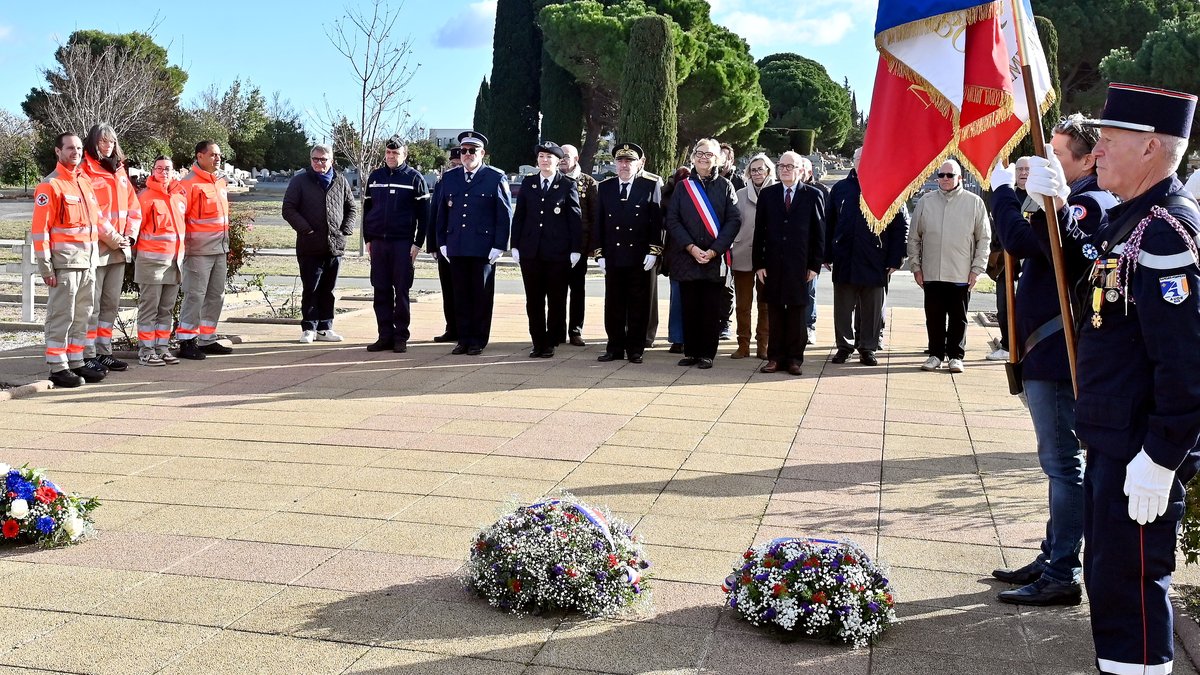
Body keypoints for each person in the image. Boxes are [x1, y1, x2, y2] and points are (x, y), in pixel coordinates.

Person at [1028, 83, 1200, 675]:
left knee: (1133, 594)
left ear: (1150, 148)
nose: (1096, 151)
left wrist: (1163, 455)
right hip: (1109, 437)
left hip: (1139, 451)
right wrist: (1055, 203)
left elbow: (1186, 363)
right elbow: (1090, 271)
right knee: (1109, 584)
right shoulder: (1131, 219)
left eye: (1108, 141)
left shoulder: (1166, 232)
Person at [988, 115, 1117, 608]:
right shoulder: (1070, 201)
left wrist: (1001, 193)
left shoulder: (1086, 203)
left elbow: (1024, 242)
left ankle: (1063, 570)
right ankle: (1052, 556)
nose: (1048, 161)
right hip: (1046, 349)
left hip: (1059, 352)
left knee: (1063, 465)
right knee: (1059, 463)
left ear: (1088, 161)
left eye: (1058, 154)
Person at [31, 132, 107, 387]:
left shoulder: (84, 184)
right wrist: (45, 267)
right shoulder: (50, 186)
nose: (75, 152)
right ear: (58, 151)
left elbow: (94, 223)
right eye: (69, 148)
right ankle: (57, 366)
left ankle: (76, 361)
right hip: (64, 264)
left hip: (87, 262)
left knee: (82, 315)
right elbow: (40, 231)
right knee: (61, 315)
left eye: (78, 148)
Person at [826, 147, 908, 366]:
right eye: (859, 159)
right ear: (853, 162)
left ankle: (868, 348)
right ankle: (844, 347)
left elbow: (900, 227)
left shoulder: (888, 187)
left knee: (872, 310)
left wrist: (896, 258)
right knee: (843, 308)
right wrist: (826, 253)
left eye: (868, 158)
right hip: (844, 257)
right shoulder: (840, 189)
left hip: (875, 260)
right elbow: (829, 222)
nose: (863, 163)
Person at [908, 159, 990, 373]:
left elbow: (984, 239)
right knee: (933, 316)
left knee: (958, 317)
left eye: (949, 175)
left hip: (960, 273)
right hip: (932, 272)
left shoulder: (974, 203)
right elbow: (913, 237)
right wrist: (916, 267)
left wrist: (977, 269)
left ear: (959, 177)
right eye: (941, 175)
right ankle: (935, 354)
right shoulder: (926, 202)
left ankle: (955, 356)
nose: (944, 179)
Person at [665, 138, 741, 369]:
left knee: (709, 308)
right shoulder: (682, 187)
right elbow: (673, 219)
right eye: (699, 153)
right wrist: (690, 247)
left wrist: (715, 250)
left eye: (709, 154)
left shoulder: (726, 186)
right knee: (689, 307)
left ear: (717, 159)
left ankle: (707, 353)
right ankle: (691, 351)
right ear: (692, 156)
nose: (703, 157)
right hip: (687, 257)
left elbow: (734, 220)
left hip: (713, 259)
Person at [435, 130, 512, 356]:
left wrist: (500, 245)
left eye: (472, 151)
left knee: (480, 295)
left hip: (483, 248)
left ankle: (477, 339)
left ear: (483, 153)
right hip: (456, 245)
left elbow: (504, 214)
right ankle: (463, 338)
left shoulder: (495, 177)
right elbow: (441, 213)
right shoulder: (450, 178)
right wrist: (442, 242)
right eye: (464, 151)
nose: (467, 154)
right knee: (460, 295)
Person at [753, 151, 824, 376]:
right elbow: (760, 232)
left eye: (790, 166)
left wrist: (814, 265)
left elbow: (819, 234)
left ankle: (794, 359)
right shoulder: (768, 195)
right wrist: (759, 264)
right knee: (774, 311)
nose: (785, 169)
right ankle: (774, 358)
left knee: (796, 313)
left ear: (800, 170)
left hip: (799, 265)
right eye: (781, 165)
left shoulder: (813, 195)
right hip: (773, 264)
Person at [593, 142, 663, 364]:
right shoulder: (605, 187)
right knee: (613, 304)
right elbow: (599, 223)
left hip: (640, 256)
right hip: (613, 256)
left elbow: (657, 222)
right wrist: (599, 253)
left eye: (629, 161)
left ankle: (635, 348)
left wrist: (654, 251)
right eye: (621, 161)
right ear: (615, 164)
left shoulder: (650, 186)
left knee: (638, 304)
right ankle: (614, 347)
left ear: (639, 164)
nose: (624, 165)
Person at [282, 144, 360, 343]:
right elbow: (288, 209)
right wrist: (306, 229)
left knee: (328, 289)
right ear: (311, 160)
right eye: (315, 159)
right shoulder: (300, 181)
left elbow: (351, 207)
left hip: (334, 245)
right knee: (311, 287)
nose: (319, 163)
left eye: (323, 159)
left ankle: (325, 327)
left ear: (331, 161)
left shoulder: (340, 181)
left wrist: (345, 230)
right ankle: (309, 327)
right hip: (310, 245)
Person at [511, 141, 582, 358]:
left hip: (557, 253)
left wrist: (575, 249)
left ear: (557, 161)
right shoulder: (529, 183)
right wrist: (515, 245)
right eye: (541, 156)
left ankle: (551, 341)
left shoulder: (567, 185)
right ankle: (537, 340)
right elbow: (520, 216)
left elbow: (575, 219)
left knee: (556, 299)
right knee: (533, 299)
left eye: (549, 157)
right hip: (531, 252)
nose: (544, 160)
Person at [80, 123, 140, 374]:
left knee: (110, 304)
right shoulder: (85, 170)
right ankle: (87, 353)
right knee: (91, 305)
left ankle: (104, 351)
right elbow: (91, 211)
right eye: (103, 141)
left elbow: (133, 207)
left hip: (118, 248)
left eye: (112, 141)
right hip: (97, 246)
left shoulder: (119, 171)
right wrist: (115, 237)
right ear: (93, 143)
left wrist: (130, 236)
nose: (108, 146)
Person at [363, 138, 429, 353]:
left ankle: (400, 336)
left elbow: (424, 216)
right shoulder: (375, 177)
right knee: (380, 289)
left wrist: (417, 244)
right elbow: (368, 209)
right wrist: (368, 239)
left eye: (396, 153)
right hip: (379, 243)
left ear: (405, 154)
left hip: (403, 243)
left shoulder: (414, 178)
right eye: (388, 153)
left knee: (401, 291)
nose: (391, 156)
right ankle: (384, 336)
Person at [177, 141, 232, 360]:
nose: (218, 159)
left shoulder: (219, 182)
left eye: (219, 155)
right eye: (213, 155)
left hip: (219, 249)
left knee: (216, 295)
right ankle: (186, 340)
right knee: (195, 296)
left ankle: (207, 338)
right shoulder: (188, 184)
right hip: (198, 250)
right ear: (200, 156)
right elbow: (181, 218)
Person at [133, 156, 186, 367]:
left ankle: (162, 348)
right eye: (160, 168)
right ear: (153, 171)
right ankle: (146, 351)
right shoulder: (144, 197)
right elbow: (135, 231)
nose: (164, 172)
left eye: (168, 169)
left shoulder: (179, 197)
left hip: (174, 262)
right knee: (150, 308)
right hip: (151, 263)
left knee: (166, 309)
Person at [986, 157, 1032, 361]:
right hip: (1006, 264)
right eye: (1019, 169)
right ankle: (1007, 344)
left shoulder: (1040, 196)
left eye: (1027, 169)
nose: (1023, 173)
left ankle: (1025, 344)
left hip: (1030, 263)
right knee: (1004, 306)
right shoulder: (1008, 196)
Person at [730, 153, 775, 360]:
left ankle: (763, 345)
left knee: (765, 304)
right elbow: (731, 222)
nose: (757, 173)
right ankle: (743, 344)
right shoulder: (739, 194)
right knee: (742, 304)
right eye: (754, 169)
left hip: (768, 258)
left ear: (768, 171)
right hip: (742, 254)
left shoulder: (776, 192)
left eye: (761, 169)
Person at [560, 143, 597, 347]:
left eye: (567, 156)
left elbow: (594, 217)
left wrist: (591, 247)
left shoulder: (588, 183)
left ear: (576, 159)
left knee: (577, 290)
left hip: (579, 247)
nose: (563, 159)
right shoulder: (554, 180)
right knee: (556, 290)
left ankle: (575, 330)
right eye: (560, 156)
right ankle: (556, 330)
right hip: (555, 247)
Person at [428, 148, 462, 343]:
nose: (455, 167)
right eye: (453, 164)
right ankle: (451, 327)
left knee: (463, 290)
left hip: (464, 245)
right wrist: (433, 244)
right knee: (448, 289)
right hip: (445, 246)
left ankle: (465, 328)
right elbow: (435, 213)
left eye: (458, 164)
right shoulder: (444, 182)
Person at [799, 156, 829, 345]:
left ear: (809, 172)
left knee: (809, 291)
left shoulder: (820, 191)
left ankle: (809, 326)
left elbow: (824, 224)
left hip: (810, 252)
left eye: (802, 169)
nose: (799, 172)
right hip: (791, 252)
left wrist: (823, 255)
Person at [662, 166, 691, 354]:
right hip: (676, 251)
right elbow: (666, 221)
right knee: (678, 297)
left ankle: (686, 338)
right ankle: (677, 338)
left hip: (700, 249)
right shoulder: (669, 193)